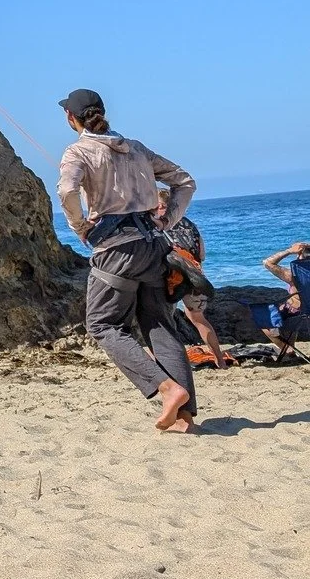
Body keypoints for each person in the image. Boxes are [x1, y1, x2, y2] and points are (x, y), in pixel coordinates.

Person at [55, 88, 198, 432]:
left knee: (102, 325)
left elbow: (66, 191)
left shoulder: (78, 151)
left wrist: (79, 228)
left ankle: (168, 389)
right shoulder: (136, 148)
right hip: (154, 246)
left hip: (117, 250)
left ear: (70, 118)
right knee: (160, 325)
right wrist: (167, 221)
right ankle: (186, 420)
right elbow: (185, 182)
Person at [154, 190, 224, 369]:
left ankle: (171, 362)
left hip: (169, 280)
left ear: (163, 206)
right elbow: (201, 253)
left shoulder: (156, 225)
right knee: (199, 319)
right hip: (195, 277)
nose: (157, 210)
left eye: (158, 206)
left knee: (164, 320)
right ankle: (220, 360)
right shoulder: (190, 224)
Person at [256, 240, 310, 358]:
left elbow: (267, 263)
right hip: (305, 314)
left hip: (297, 315)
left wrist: (289, 251)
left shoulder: (294, 276)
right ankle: (289, 350)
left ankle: (287, 349)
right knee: (288, 310)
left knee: (264, 318)